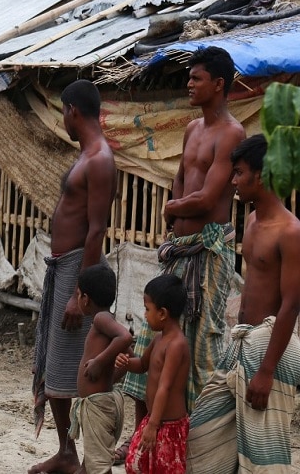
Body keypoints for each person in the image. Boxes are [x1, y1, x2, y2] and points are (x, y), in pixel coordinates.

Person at [117, 46, 246, 464]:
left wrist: (173, 209)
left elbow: (209, 197)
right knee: (153, 338)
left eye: (196, 78)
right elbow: (178, 179)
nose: (189, 84)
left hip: (207, 252)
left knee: (198, 350)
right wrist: (174, 210)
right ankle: (141, 436)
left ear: (219, 84)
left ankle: (193, 444)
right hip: (179, 250)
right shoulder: (192, 129)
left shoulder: (232, 134)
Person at [186, 134, 300, 473]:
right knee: (202, 436)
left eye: (239, 173)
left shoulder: (291, 232)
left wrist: (265, 372)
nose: (233, 181)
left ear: (261, 176)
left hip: (270, 348)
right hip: (240, 341)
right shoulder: (250, 222)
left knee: (263, 457)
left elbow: (292, 305)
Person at [30, 79, 117, 474]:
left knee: (75, 365)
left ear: (72, 111)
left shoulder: (100, 159)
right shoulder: (86, 155)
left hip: (77, 270)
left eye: (62, 113)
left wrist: (80, 293)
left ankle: (86, 458)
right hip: (62, 267)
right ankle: (66, 452)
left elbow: (96, 229)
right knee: (57, 364)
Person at [115, 274, 190, 473]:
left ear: (163, 313)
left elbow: (164, 386)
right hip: (154, 420)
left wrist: (154, 424)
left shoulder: (176, 345)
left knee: (161, 467)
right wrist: (126, 362)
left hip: (168, 425)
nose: (145, 314)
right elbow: (142, 365)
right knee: (136, 463)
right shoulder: (159, 339)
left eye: (147, 309)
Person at [69, 264, 132, 474]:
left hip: (98, 409)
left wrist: (99, 361)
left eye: (78, 295)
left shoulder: (100, 319)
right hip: (100, 404)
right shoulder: (107, 321)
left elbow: (126, 338)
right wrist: (113, 371)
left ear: (85, 298)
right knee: (90, 465)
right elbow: (128, 356)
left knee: (99, 467)